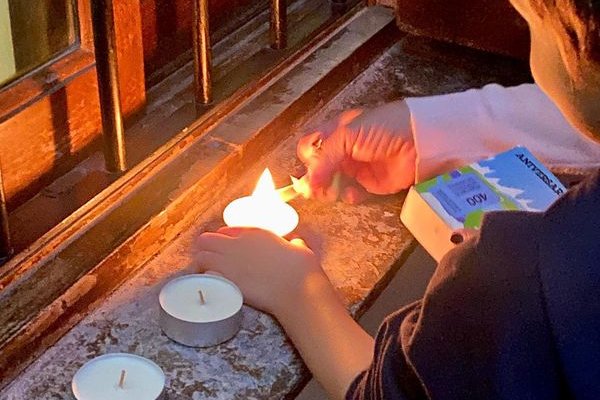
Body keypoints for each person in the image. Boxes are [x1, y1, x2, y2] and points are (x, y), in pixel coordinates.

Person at [196, 0, 600, 398]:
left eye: (529, 23)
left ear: (576, 40)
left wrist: (296, 289)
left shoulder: (530, 270)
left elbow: (393, 391)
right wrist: (426, 130)